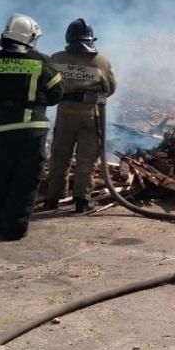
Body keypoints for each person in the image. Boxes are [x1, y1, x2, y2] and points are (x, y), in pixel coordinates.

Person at [0, 14, 63, 240]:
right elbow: (57, 93)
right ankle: (15, 229)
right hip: (31, 131)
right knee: (25, 179)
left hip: (0, 131)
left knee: (4, 177)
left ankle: (2, 224)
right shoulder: (41, 62)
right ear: (30, 37)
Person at [43, 18, 117, 213]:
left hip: (64, 112)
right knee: (86, 158)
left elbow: (47, 86)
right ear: (91, 39)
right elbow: (110, 89)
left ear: (68, 38)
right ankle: (82, 202)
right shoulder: (101, 61)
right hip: (90, 115)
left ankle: (52, 199)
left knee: (59, 156)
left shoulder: (56, 58)